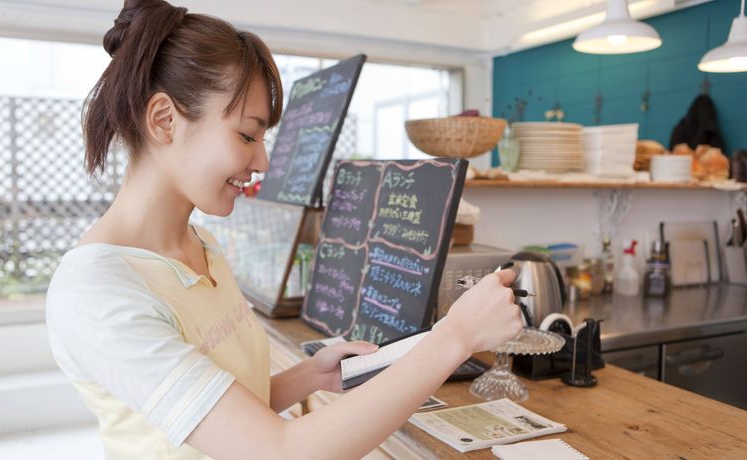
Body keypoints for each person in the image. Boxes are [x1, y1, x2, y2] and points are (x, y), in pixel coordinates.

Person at [45, 1, 523, 459]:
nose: (262, 161)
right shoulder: (97, 291)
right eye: (246, 135)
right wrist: (455, 337)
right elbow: (279, 451)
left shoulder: (201, 246)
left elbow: (221, 416)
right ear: (164, 120)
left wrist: (309, 376)